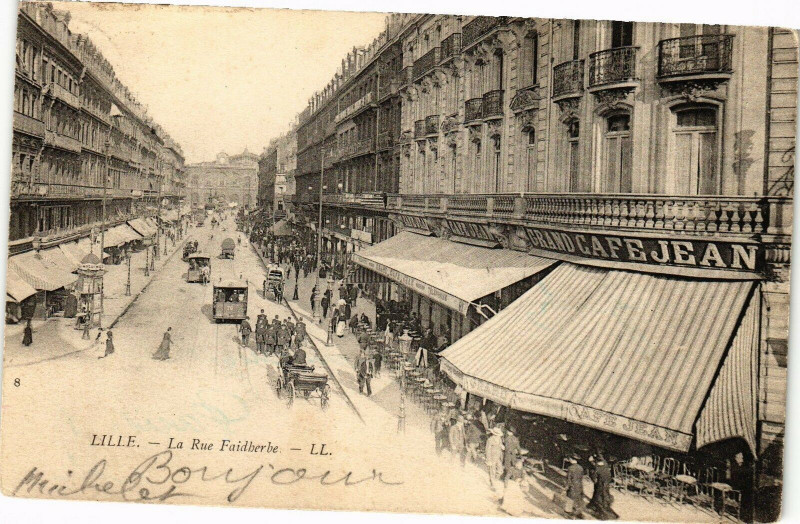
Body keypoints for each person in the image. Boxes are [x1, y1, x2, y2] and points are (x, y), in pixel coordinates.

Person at [501, 450, 534, 516]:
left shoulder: (522, 470)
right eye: (518, 465)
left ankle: (516, 510)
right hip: (512, 484)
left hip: (518, 484)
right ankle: (509, 509)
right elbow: (507, 477)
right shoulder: (512, 469)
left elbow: (524, 476)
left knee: (518, 497)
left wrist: (521, 480)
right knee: (511, 496)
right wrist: (506, 485)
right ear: (515, 464)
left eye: (520, 465)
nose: (519, 466)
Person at [588, 455, 616, 519]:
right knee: (605, 496)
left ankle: (602, 515)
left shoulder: (597, 468)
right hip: (607, 483)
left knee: (600, 498)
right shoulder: (605, 464)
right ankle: (606, 510)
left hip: (601, 484)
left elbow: (594, 479)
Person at [485, 427, 505, 491]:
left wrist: (502, 446)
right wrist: (488, 460)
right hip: (492, 458)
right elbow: (487, 450)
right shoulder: (490, 440)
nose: (499, 436)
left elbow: (500, 444)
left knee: (500, 471)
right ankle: (492, 485)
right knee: (492, 471)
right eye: (497, 435)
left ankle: (494, 480)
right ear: (494, 434)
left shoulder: (499, 439)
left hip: (498, 457)